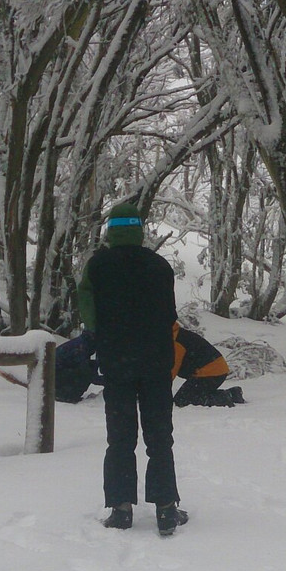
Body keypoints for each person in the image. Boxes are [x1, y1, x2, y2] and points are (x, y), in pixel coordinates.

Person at [76, 202, 187, 536]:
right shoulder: (159, 266)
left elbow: (87, 309)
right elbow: (170, 314)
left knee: (120, 437)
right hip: (155, 363)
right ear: (140, 230)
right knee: (159, 436)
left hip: (117, 362)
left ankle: (121, 509)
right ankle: (166, 509)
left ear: (111, 231)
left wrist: (102, 335)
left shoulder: (97, 266)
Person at [173, 324, 245, 408]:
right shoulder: (175, 334)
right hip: (215, 370)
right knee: (189, 395)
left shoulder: (176, 341)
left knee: (182, 400)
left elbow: (171, 367)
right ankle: (232, 393)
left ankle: (223, 398)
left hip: (209, 373)